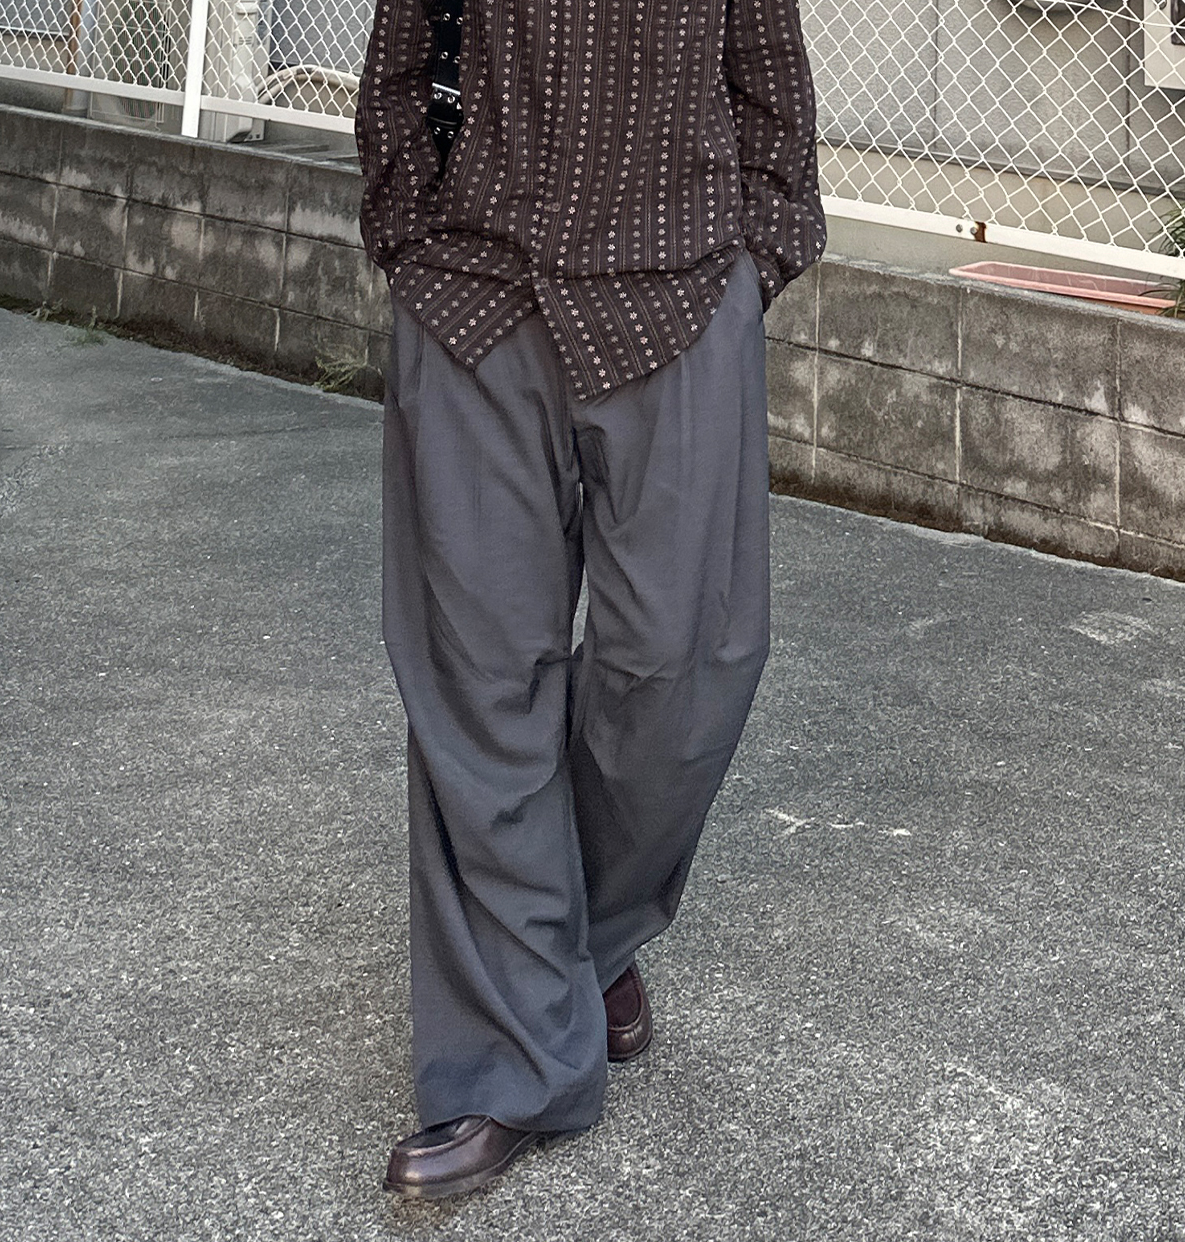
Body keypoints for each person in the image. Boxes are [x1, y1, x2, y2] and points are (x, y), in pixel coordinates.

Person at [355, 0, 825, 1200]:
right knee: (478, 678)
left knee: (688, 664)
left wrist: (750, 263)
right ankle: (506, 1061)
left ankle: (583, 936)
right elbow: (400, 64)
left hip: (678, 294)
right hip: (475, 301)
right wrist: (410, 238)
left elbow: (770, 87)